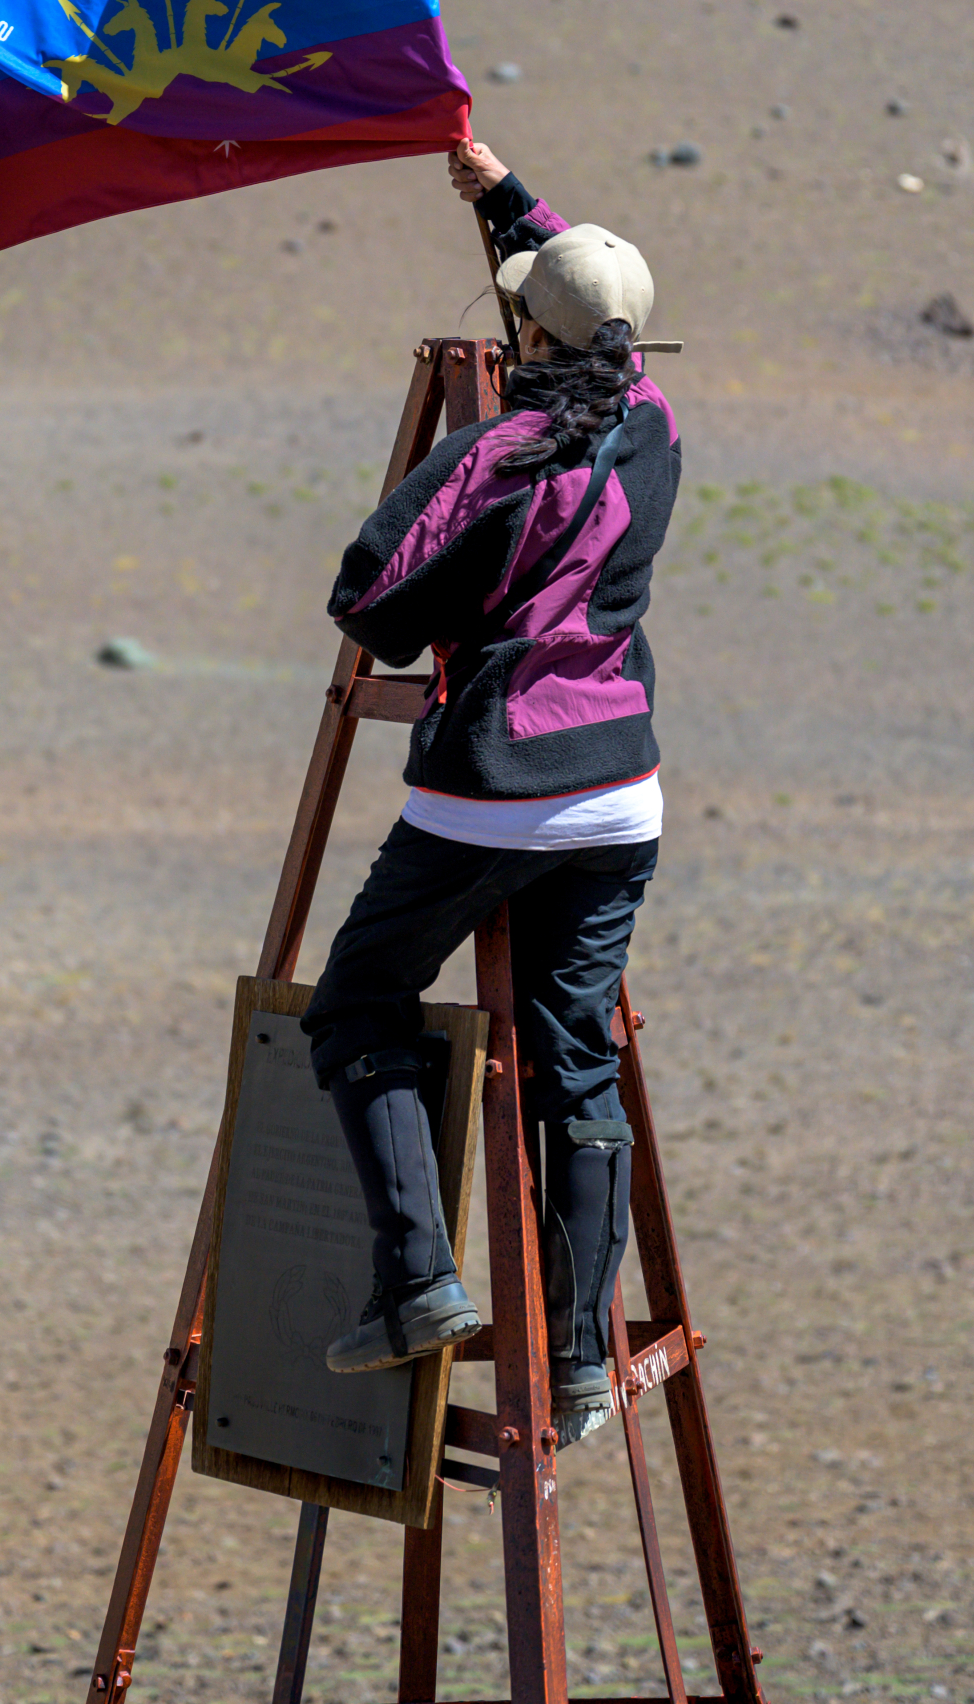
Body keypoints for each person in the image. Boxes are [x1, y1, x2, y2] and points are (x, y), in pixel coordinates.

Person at [306, 138, 680, 1451]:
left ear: (526, 329)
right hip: (620, 791)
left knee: (357, 1002)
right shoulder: (656, 423)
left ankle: (417, 1280)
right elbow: (589, 302)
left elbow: (368, 597)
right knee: (576, 1062)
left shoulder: (499, 454)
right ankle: (582, 1360)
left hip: (494, 789)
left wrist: (456, 611)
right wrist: (513, 196)